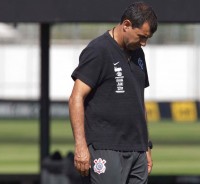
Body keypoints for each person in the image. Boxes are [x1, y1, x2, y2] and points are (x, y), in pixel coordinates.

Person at [68, 2, 158, 184]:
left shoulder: (138, 54)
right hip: (106, 147)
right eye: (141, 37)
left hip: (137, 150)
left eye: (147, 38)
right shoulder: (98, 50)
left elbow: (139, 102)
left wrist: (145, 146)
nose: (144, 43)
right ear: (126, 25)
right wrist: (80, 146)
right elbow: (76, 98)